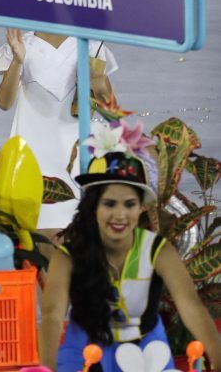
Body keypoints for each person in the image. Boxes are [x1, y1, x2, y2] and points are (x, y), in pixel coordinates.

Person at [39, 129, 221, 371]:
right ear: (93, 206)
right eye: (109, 204)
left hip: (148, 350)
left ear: (141, 208)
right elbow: (52, 315)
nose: (120, 214)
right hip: (84, 349)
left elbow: (191, 306)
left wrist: (218, 357)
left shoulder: (158, 251)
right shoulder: (68, 256)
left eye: (129, 204)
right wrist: (46, 367)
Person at [0, 27, 116, 234]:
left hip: (76, 158)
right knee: (33, 232)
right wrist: (17, 61)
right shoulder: (22, 45)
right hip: (32, 157)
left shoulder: (91, 46)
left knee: (78, 232)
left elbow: (112, 114)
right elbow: (4, 103)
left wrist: (97, 82)